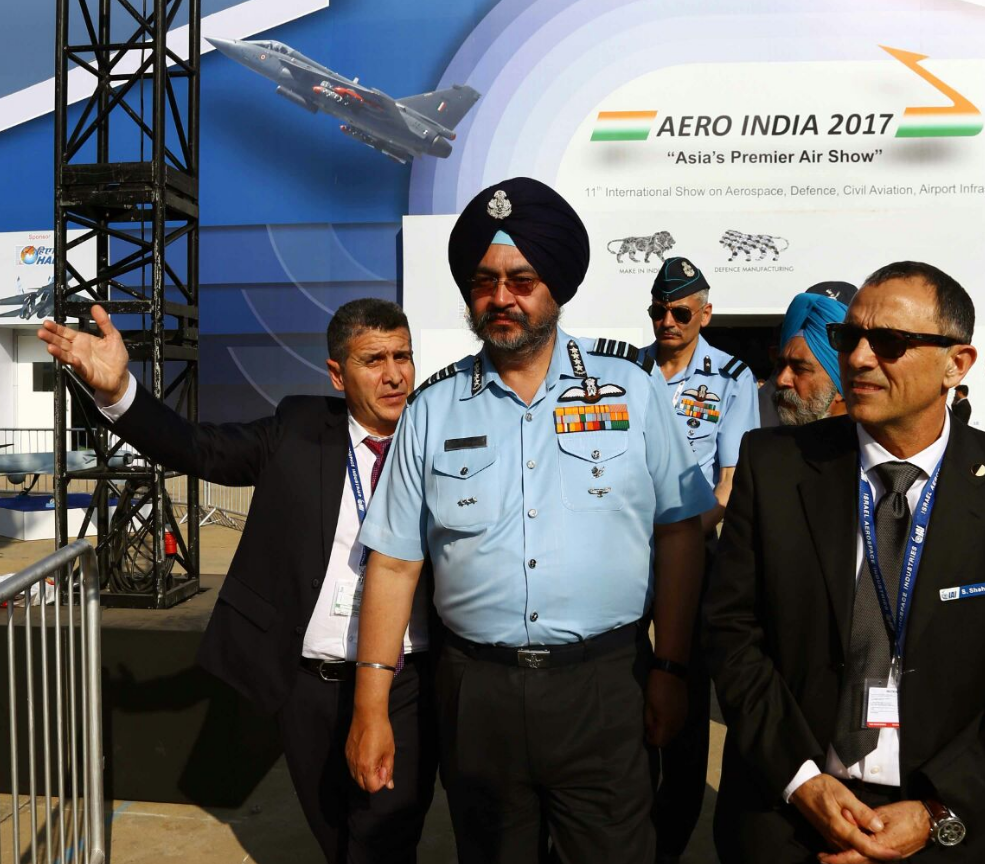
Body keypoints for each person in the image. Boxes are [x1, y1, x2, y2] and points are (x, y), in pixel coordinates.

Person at [345, 177, 714, 864]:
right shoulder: (433, 407)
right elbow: (395, 562)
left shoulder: (631, 389)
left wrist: (671, 667)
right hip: (476, 694)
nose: (501, 298)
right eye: (484, 282)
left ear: (557, 287)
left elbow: (679, 533)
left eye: (521, 279)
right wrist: (371, 706)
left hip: (606, 686)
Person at [38, 298, 438, 864]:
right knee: (335, 836)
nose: (395, 374)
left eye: (403, 356)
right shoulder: (298, 428)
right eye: (374, 359)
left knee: (384, 835)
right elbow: (199, 449)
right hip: (309, 684)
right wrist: (118, 392)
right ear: (336, 373)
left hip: (406, 682)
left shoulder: (437, 437)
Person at [705, 261, 982, 863]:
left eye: (888, 343)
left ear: (956, 365)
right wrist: (800, 779)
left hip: (946, 824)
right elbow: (731, 633)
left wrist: (939, 808)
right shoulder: (774, 466)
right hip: (788, 816)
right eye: (848, 337)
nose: (857, 358)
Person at [637, 257, 759, 863]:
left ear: (704, 313)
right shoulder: (626, 370)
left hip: (697, 557)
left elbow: (730, 484)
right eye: (659, 309)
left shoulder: (732, 376)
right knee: (626, 693)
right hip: (627, 561)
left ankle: (668, 842)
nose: (667, 320)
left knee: (682, 708)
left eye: (680, 311)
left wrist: (677, 535)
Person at [759, 282, 857, 428]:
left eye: (800, 369)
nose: (781, 380)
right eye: (780, 366)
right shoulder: (758, 441)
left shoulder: (874, 448)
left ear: (842, 382)